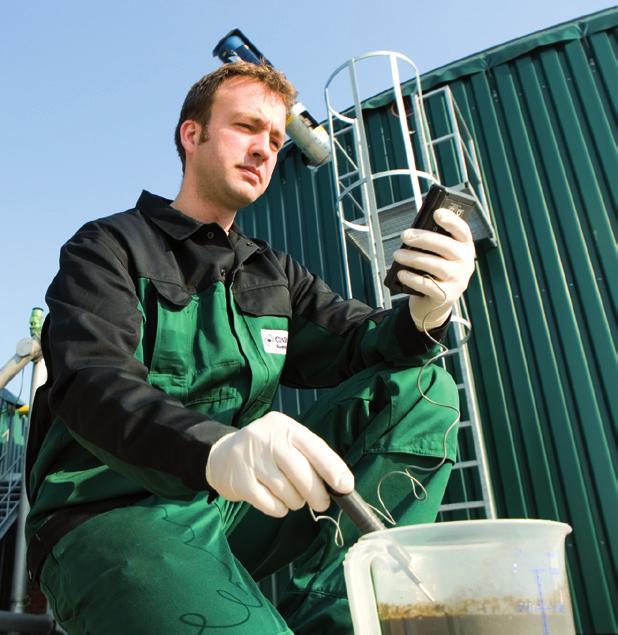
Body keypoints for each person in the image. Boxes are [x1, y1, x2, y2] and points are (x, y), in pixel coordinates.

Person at [25, 61, 475, 634]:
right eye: (246, 127)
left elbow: (364, 343)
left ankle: (344, 615)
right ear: (193, 135)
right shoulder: (109, 247)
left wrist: (425, 313)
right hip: (110, 514)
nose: (265, 149)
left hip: (230, 512)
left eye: (275, 139)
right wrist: (213, 449)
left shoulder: (273, 272)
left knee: (422, 387)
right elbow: (93, 381)